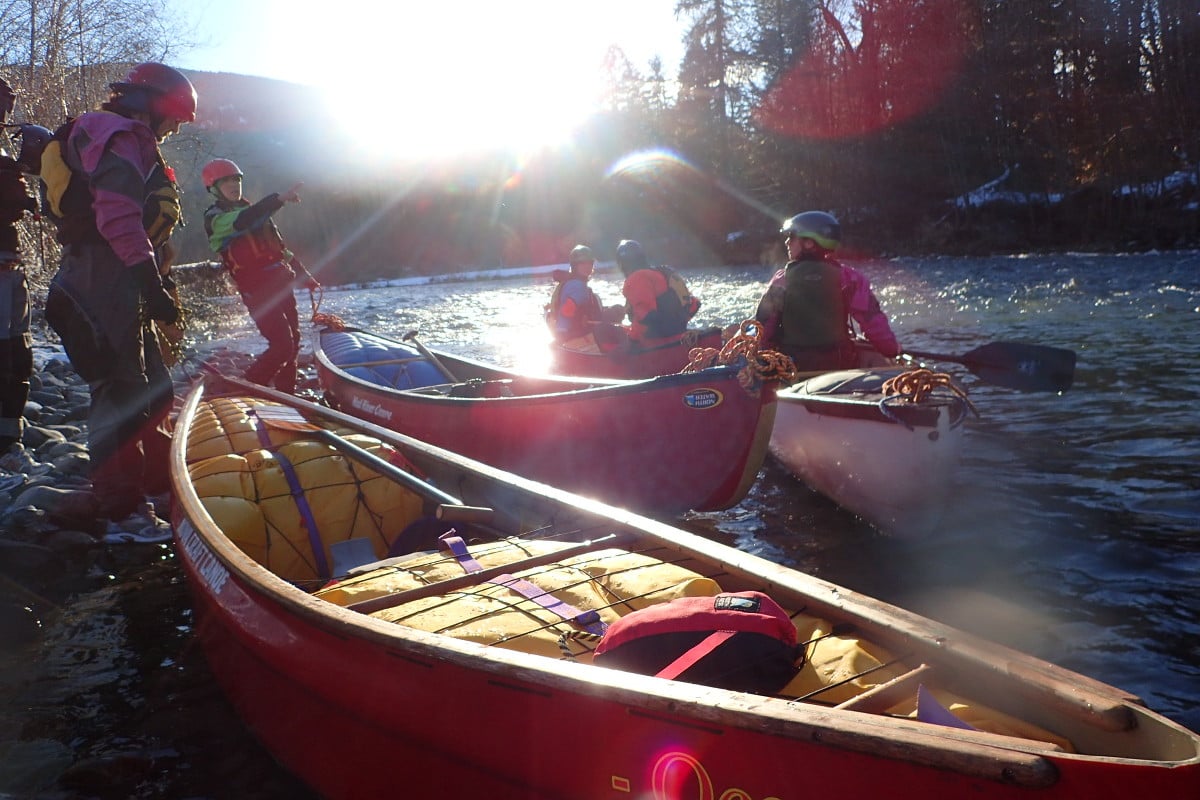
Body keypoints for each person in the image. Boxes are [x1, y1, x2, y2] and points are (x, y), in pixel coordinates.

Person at [40, 62, 193, 521]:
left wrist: (151, 283)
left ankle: (154, 478)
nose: (176, 128)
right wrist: (153, 284)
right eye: (177, 117)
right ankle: (118, 502)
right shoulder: (120, 136)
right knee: (117, 385)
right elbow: (119, 218)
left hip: (112, 273)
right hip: (99, 276)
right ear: (156, 106)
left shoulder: (113, 133)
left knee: (152, 385)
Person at [202, 158, 319, 394]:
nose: (234, 185)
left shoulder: (254, 211)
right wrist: (278, 200)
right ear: (214, 189)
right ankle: (251, 387)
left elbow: (280, 249)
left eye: (236, 180)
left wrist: (304, 275)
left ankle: (288, 394)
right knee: (282, 345)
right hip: (255, 289)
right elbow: (243, 222)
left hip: (280, 282)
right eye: (227, 182)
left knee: (293, 341)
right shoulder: (216, 219)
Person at [754, 211, 900, 371]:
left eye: (792, 237)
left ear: (809, 243)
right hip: (837, 362)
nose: (787, 242)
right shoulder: (850, 278)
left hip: (793, 365)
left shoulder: (781, 279)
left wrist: (760, 358)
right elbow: (872, 320)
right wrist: (891, 350)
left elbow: (764, 324)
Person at [0, 77, 39, 454]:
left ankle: (11, 433)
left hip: (10, 260)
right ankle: (7, 434)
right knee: (8, 347)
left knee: (17, 347)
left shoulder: (6, 154)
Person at [614, 239, 701, 344]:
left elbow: (644, 316)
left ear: (622, 263)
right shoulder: (661, 272)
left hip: (658, 338)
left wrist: (632, 340)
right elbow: (693, 304)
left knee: (604, 332)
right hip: (678, 330)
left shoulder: (637, 278)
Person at [544, 244, 624, 350]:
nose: (587, 267)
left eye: (589, 263)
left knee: (615, 310)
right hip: (574, 337)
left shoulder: (572, 283)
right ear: (574, 266)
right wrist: (563, 336)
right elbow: (566, 313)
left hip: (571, 334)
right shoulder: (578, 287)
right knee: (617, 320)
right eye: (582, 263)